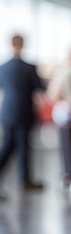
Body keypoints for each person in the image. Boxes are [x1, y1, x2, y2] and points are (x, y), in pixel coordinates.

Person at [0, 35, 46, 197]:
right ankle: (24, 179)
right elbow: (40, 88)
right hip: (24, 111)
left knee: (9, 145)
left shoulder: (3, 67)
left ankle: (25, 178)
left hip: (7, 111)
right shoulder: (29, 67)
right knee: (22, 147)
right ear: (23, 44)